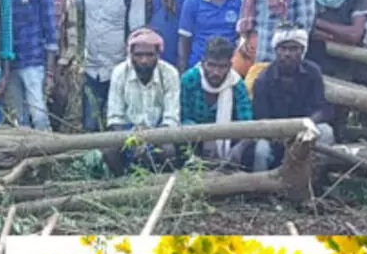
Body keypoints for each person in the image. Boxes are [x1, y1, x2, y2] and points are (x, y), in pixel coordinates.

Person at [74, 0, 145, 131]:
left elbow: (137, 35)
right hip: (91, 70)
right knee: (90, 126)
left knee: (118, 126)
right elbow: (70, 6)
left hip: (120, 71)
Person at [251, 25, 335, 171]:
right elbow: (261, 119)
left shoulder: (312, 72)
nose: (287, 54)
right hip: (274, 135)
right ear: (275, 51)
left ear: (302, 51)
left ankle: (315, 179)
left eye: (293, 49)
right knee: (261, 150)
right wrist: (282, 135)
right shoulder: (263, 80)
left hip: (306, 131)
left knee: (326, 132)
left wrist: (308, 124)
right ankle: (260, 191)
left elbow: (323, 108)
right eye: (283, 49)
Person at [1, 0, 57, 130]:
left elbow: (50, 30)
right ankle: (25, 158)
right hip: (9, 61)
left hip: (33, 60)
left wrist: (50, 72)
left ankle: (48, 157)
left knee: (39, 114)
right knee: (18, 118)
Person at [104, 28, 180, 173]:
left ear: (158, 54)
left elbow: (171, 118)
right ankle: (122, 183)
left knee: (168, 151)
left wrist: (150, 137)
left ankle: (161, 183)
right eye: (139, 55)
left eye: (149, 55)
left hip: (159, 130)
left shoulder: (170, 73)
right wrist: (132, 140)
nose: (144, 60)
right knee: (109, 152)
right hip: (127, 130)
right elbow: (115, 118)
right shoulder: (120, 72)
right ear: (130, 54)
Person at [179, 36, 253, 166]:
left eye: (222, 67)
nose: (216, 72)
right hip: (193, 140)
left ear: (230, 66)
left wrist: (239, 148)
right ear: (203, 63)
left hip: (229, 142)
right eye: (211, 65)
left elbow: (247, 123)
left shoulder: (236, 84)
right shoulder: (189, 80)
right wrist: (206, 136)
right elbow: (184, 118)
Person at [35, 0, 80, 131]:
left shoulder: (66, 1)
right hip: (33, 62)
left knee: (58, 98)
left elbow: (73, 41)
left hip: (59, 65)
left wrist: (59, 66)